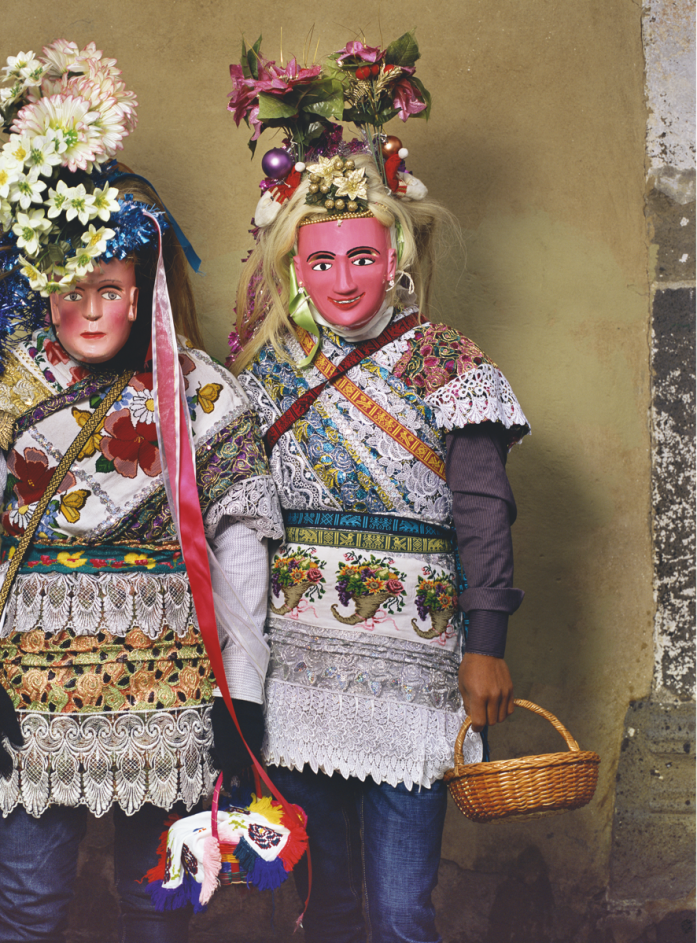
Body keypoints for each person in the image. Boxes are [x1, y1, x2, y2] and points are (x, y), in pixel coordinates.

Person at [0, 39, 279, 943]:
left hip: (171, 683)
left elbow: (238, 543)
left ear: (141, 288)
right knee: (30, 902)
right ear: (44, 288)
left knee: (158, 902)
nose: (90, 308)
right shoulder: (1, 385)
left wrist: (245, 693)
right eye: (70, 288)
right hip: (30, 685)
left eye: (109, 288)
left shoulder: (204, 394)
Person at [227, 37, 530, 943]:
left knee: (400, 915)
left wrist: (487, 644)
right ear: (294, 268)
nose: (343, 280)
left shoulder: (446, 359)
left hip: (417, 676)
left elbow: (484, 511)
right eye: (321, 262)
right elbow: (238, 529)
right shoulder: (267, 372)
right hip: (297, 677)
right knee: (323, 908)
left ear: (395, 251)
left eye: (361, 256)